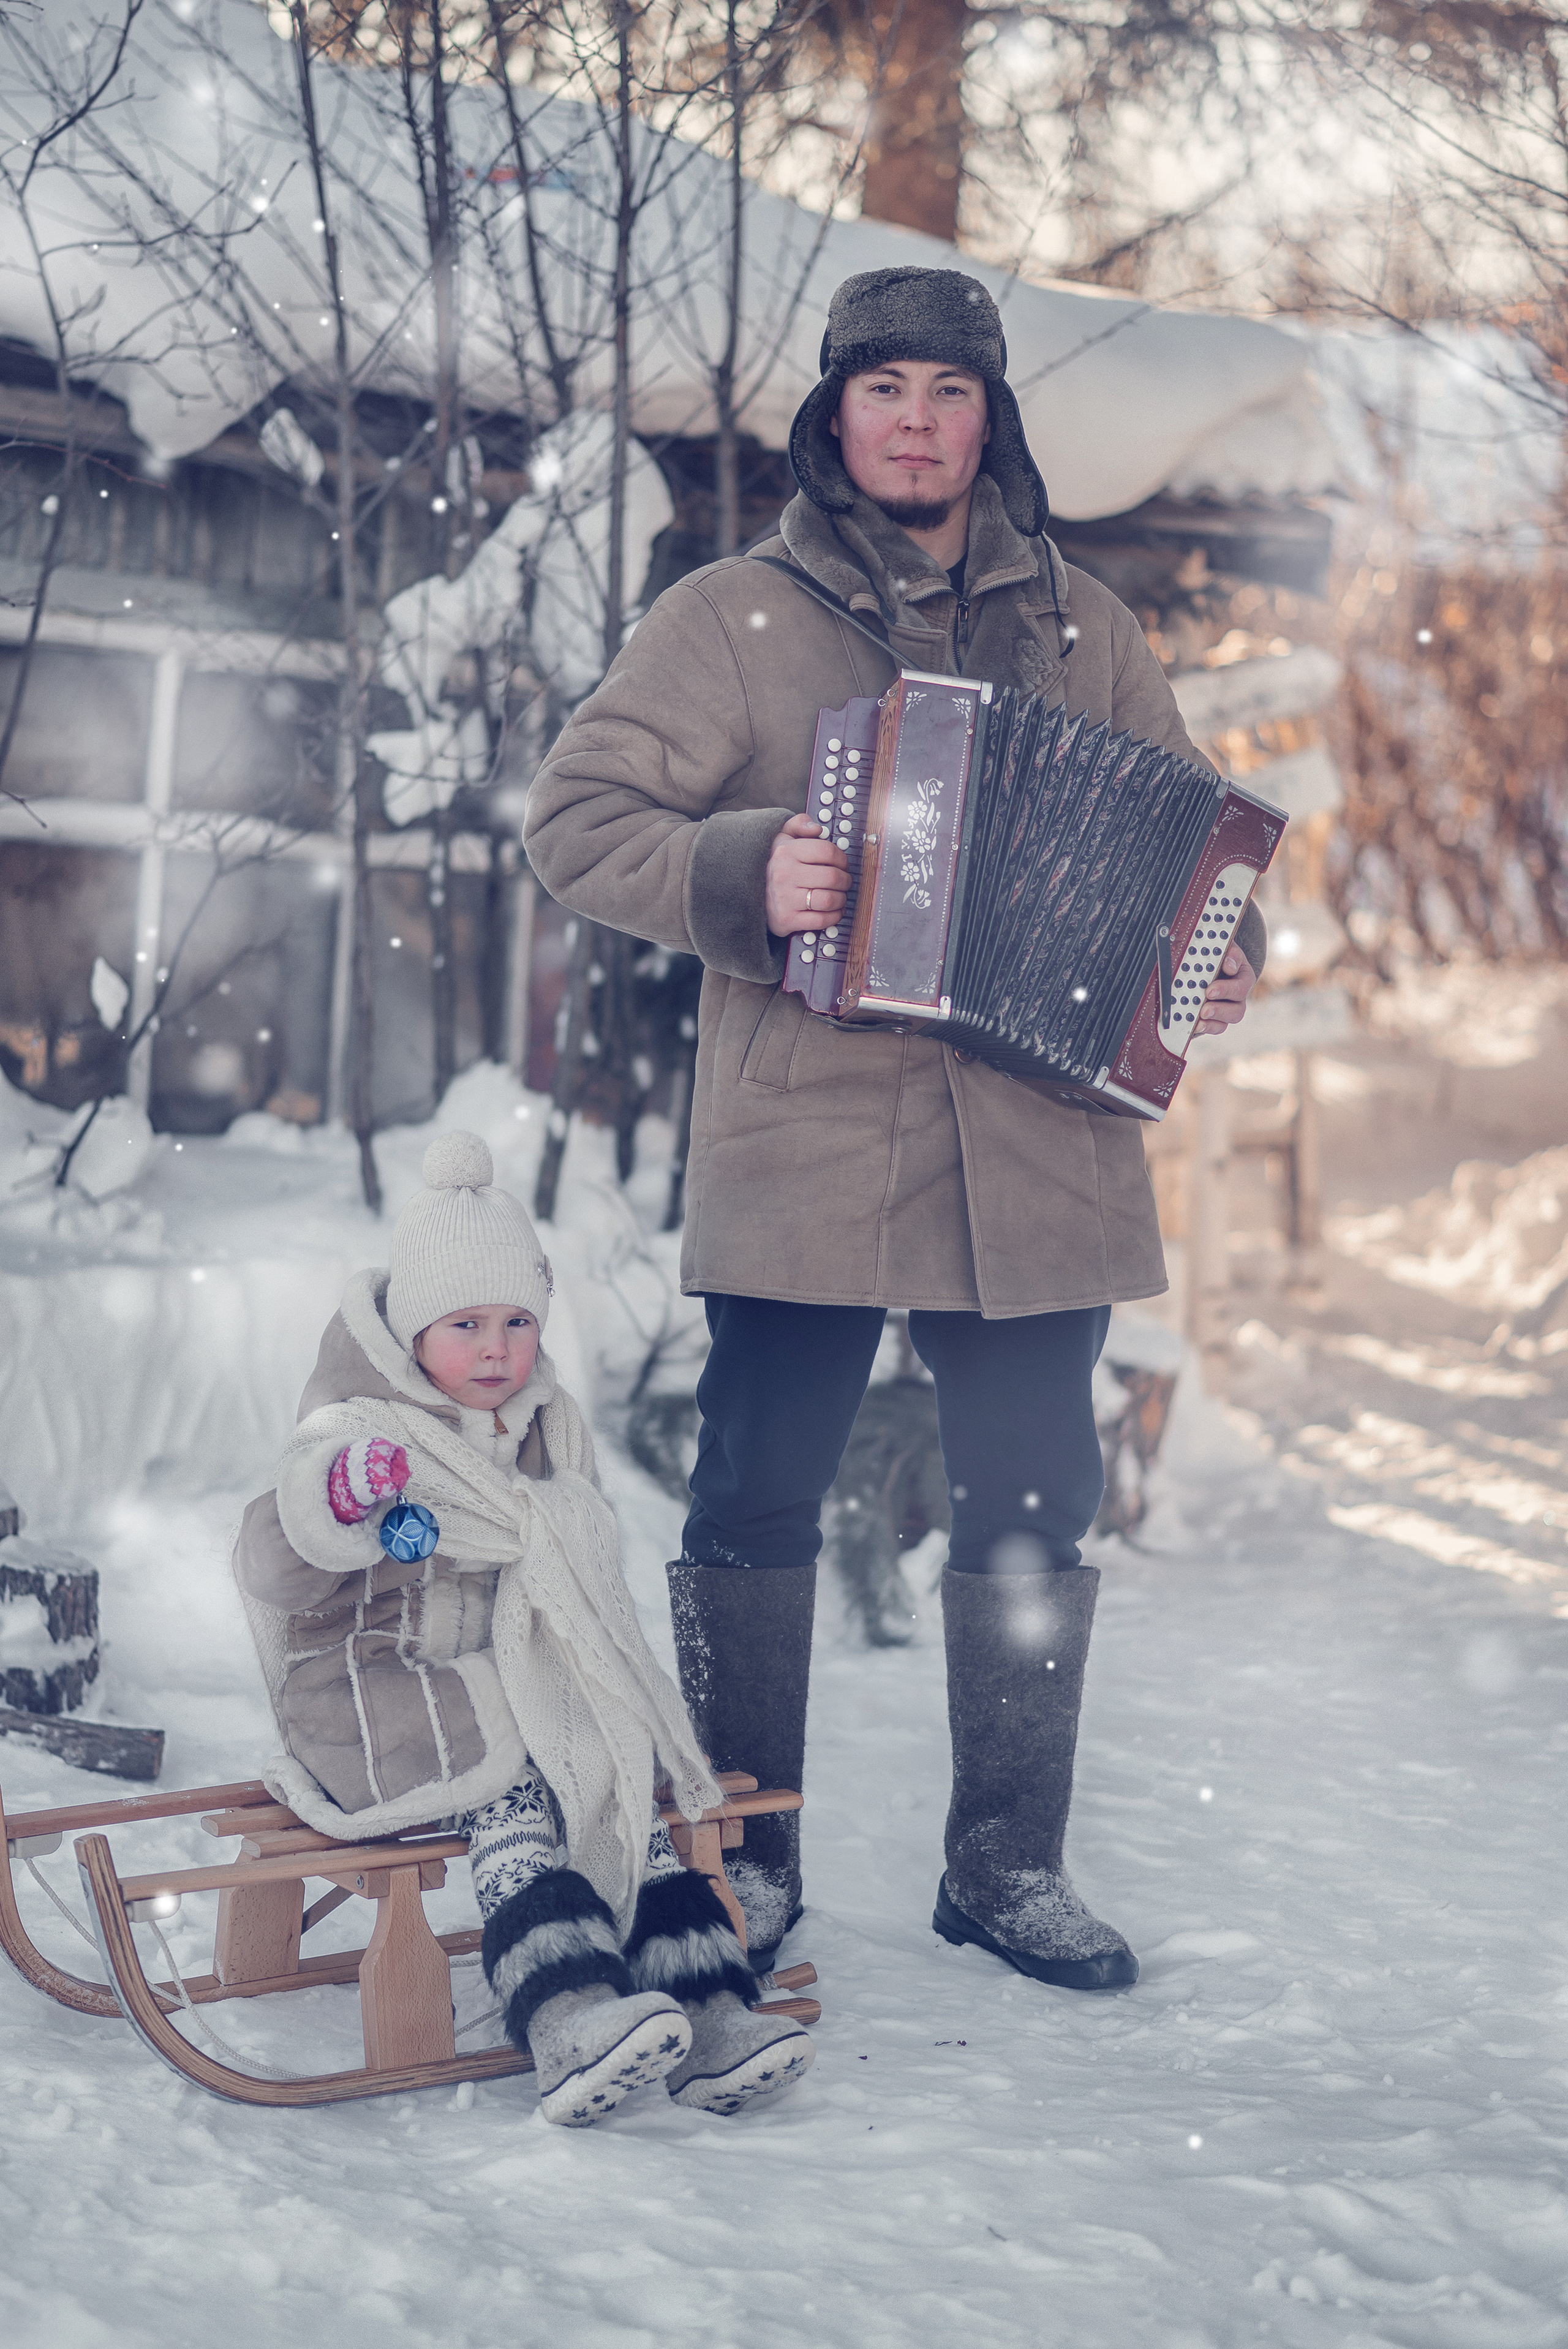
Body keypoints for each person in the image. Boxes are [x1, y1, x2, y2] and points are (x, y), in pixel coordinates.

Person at [522, 266, 1264, 1991]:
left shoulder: (1090, 629)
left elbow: (1192, 848)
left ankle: (1005, 1868)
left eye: (949, 391)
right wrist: (736, 865)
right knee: (759, 1491)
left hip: (1038, 1137)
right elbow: (579, 816)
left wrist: (1210, 966)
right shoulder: (733, 616)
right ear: (834, 416)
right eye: (885, 390)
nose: (918, 422)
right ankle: (750, 1856)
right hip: (811, 1132)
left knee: (1031, 1500)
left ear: (990, 417)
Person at [232, 1129, 813, 2123]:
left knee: (612, 1767)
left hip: (506, 1673)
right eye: (465, 1324)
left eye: (516, 1320)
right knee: (515, 1781)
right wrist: (338, 1500)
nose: (496, 1348)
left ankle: (706, 2004)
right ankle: (566, 2013)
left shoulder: (546, 1424)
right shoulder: (358, 1425)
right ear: (413, 1332)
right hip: (374, 1689)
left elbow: (571, 1575)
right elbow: (273, 1563)